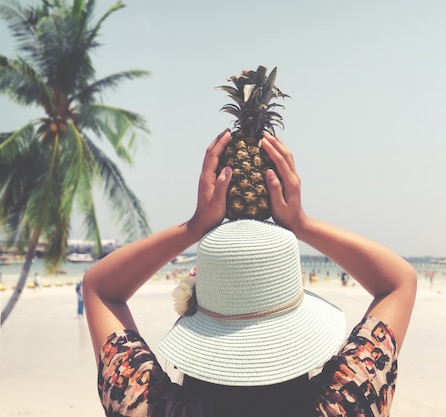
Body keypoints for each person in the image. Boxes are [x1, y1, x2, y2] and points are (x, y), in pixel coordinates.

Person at [83, 130, 417, 417]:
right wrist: (302, 224)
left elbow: (100, 288)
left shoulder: (149, 407)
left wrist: (194, 227)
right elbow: (398, 282)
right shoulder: (347, 402)